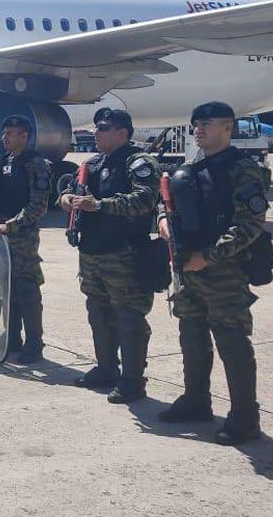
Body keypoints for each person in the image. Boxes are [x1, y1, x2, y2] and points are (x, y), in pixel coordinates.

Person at [157, 101, 271, 445]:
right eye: (196, 124)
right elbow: (166, 205)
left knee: (231, 341)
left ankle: (245, 418)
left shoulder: (243, 169)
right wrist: (162, 222)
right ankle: (196, 401)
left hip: (224, 269)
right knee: (191, 335)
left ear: (228, 127)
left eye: (207, 123)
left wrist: (207, 256)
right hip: (188, 267)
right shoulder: (191, 168)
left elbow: (250, 224)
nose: (199, 129)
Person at [59, 108, 161, 402]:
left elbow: (144, 200)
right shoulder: (91, 164)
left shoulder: (139, 163)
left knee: (129, 318)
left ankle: (132, 380)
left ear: (123, 132)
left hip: (125, 253)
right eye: (96, 127)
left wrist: (101, 205)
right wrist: (67, 200)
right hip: (92, 252)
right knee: (98, 313)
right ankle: (106, 368)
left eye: (103, 127)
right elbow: (67, 192)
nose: (96, 132)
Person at [0, 115, 52, 364]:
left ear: (24, 136)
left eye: (11, 133)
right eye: (4, 133)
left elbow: (38, 206)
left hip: (22, 237)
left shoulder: (36, 164)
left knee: (26, 290)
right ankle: (12, 340)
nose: (5, 138)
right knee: (5, 290)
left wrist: (9, 226)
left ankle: (33, 345)